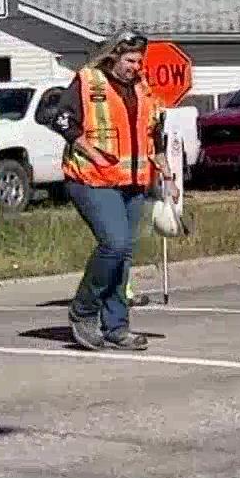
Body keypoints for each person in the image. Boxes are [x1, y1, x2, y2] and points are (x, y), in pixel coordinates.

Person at [45, 30, 171, 350]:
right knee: (114, 244)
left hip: (133, 181)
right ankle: (84, 312)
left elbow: (153, 131)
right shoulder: (88, 81)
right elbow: (56, 116)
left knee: (124, 254)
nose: (135, 66)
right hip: (91, 179)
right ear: (114, 56)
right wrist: (85, 147)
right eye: (129, 60)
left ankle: (116, 326)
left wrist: (165, 169)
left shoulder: (143, 88)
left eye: (139, 61)